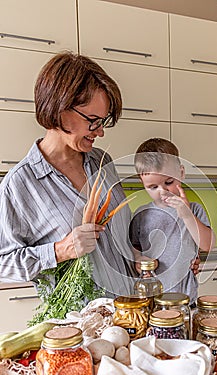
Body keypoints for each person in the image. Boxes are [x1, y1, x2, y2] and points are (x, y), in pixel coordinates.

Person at [0, 52, 134, 296]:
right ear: (59, 109)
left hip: (130, 315)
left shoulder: (103, 163)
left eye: (103, 121)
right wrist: (61, 250)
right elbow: (3, 264)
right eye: (93, 120)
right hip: (77, 328)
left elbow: (123, 239)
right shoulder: (20, 184)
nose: (100, 132)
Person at [129, 138, 215, 305]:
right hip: (150, 300)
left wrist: (186, 214)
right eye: (153, 187)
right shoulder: (141, 215)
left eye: (169, 182)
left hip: (185, 299)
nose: (163, 191)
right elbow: (134, 249)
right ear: (142, 183)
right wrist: (138, 260)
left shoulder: (194, 210)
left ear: (181, 173)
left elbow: (208, 245)